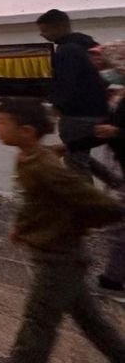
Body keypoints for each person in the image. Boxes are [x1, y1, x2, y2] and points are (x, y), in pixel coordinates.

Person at [0, 97, 125, 362]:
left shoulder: (47, 167)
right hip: (59, 257)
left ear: (26, 132)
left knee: (37, 321)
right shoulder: (26, 158)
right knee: (91, 320)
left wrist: (77, 227)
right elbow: (33, 200)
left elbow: (102, 204)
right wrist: (22, 226)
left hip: (59, 260)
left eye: (2, 122)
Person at [36, 9, 119, 186]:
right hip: (101, 111)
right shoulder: (87, 44)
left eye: (45, 30)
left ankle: (89, 206)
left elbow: (66, 85)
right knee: (80, 153)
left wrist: (55, 110)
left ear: (58, 27)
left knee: (75, 162)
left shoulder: (66, 51)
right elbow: (105, 74)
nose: (42, 34)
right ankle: (116, 184)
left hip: (77, 116)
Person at [94, 40, 125, 293]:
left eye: (110, 65)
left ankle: (116, 279)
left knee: (120, 226)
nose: (105, 70)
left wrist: (116, 131)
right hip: (117, 160)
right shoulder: (119, 91)